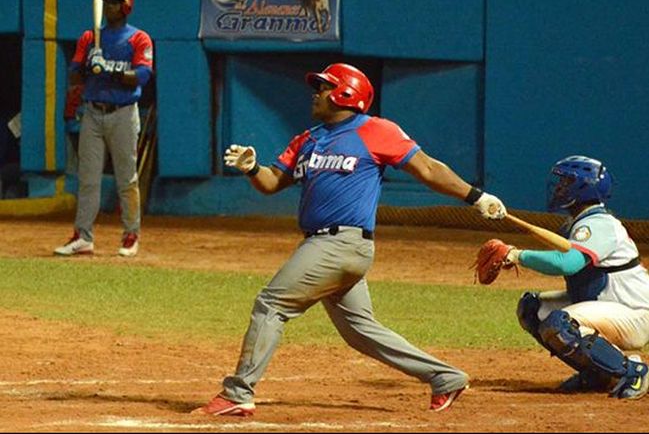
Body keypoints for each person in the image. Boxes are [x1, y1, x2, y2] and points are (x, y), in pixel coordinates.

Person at [191, 63, 507, 416]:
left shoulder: (376, 131)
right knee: (360, 331)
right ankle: (445, 377)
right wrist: (252, 168)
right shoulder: (308, 139)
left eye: (324, 86)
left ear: (346, 93)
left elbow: (429, 169)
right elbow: (270, 183)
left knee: (271, 305)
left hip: (340, 245)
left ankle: (237, 394)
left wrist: (475, 196)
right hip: (326, 247)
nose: (316, 92)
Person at [505, 155, 649, 399]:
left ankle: (633, 371)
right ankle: (598, 373)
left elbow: (568, 263)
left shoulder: (598, 224)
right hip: (607, 305)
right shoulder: (582, 221)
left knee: (559, 323)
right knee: (532, 307)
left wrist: (517, 255)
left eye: (567, 182)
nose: (560, 187)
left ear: (584, 188)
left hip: (634, 314)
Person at [54, 0, 153, 258]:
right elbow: (74, 75)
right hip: (93, 113)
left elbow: (143, 76)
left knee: (126, 178)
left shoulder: (138, 38)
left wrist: (109, 70)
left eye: (114, 2)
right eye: (107, 1)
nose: (109, 6)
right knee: (88, 179)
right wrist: (88, 63)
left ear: (126, 7)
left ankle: (131, 235)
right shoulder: (90, 38)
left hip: (123, 114)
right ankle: (83, 236)